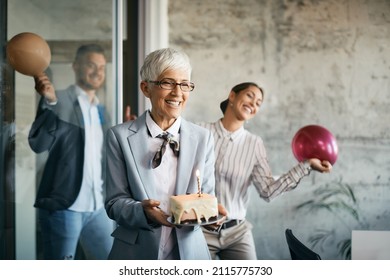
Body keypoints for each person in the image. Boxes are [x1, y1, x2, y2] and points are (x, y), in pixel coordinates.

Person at [104, 47, 227, 260]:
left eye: (185, 84)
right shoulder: (119, 137)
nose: (177, 93)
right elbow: (114, 203)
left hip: (190, 254)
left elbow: (205, 195)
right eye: (167, 83)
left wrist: (212, 215)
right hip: (135, 253)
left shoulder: (203, 138)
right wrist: (143, 212)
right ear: (146, 88)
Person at [198, 82, 332, 260]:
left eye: (258, 103)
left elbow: (268, 191)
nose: (253, 103)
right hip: (200, 229)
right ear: (232, 96)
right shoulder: (200, 131)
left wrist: (306, 165)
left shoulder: (254, 144)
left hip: (236, 232)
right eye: (249, 96)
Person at [28, 44, 114, 260]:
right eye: (91, 65)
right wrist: (49, 101)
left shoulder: (101, 109)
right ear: (76, 66)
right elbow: (39, 144)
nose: (97, 72)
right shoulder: (59, 99)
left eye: (102, 67)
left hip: (98, 206)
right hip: (65, 206)